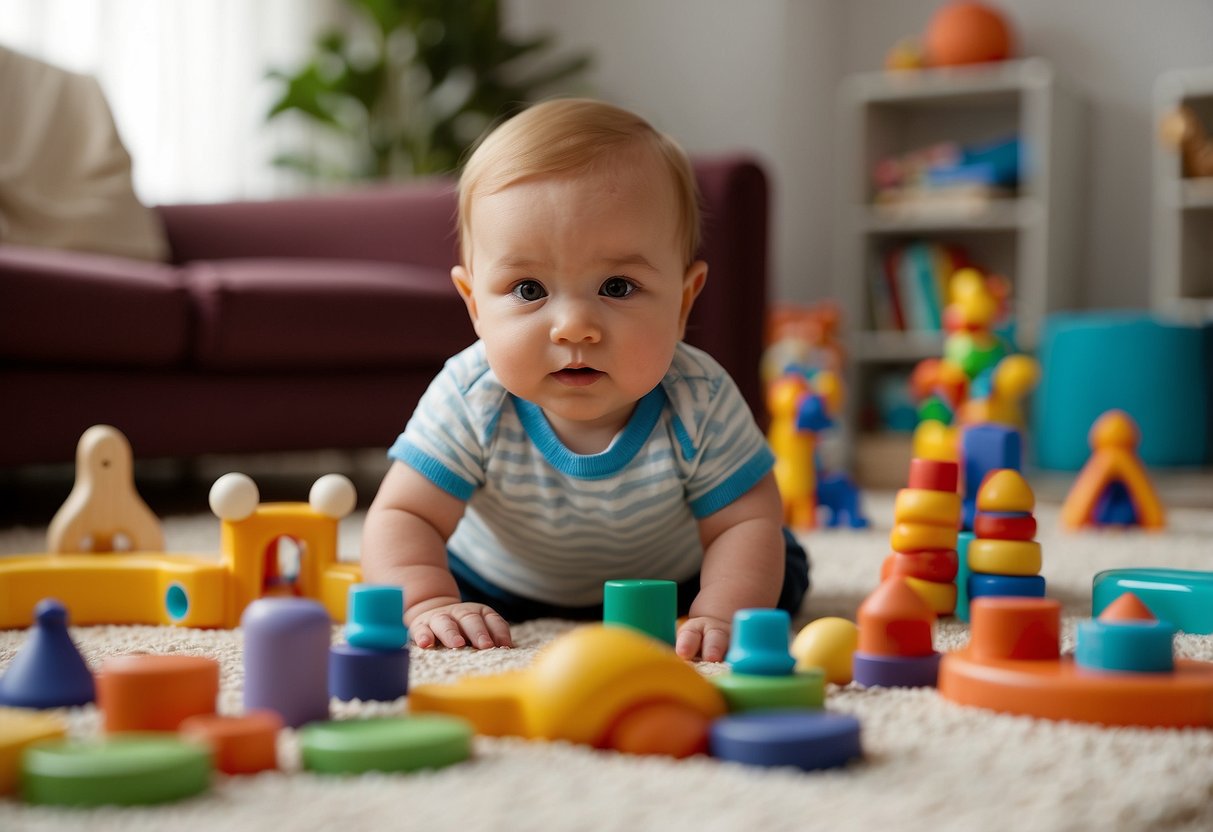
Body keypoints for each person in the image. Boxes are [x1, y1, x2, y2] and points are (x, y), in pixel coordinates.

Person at [361, 98, 809, 662]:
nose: (575, 326)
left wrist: (720, 612)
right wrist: (426, 602)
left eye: (617, 287)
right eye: (529, 290)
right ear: (475, 306)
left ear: (682, 301)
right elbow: (406, 514)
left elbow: (744, 520)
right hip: (495, 585)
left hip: (675, 584)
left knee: (775, 566)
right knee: (423, 577)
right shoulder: (472, 395)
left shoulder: (701, 397)